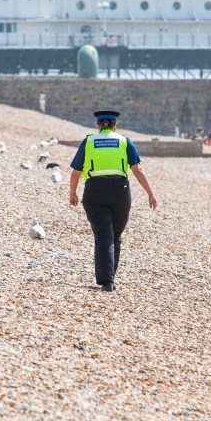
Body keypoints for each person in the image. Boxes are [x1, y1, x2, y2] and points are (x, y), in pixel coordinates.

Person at [69, 110, 158, 292]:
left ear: (98, 125)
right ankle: (110, 278)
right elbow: (137, 170)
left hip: (94, 190)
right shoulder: (125, 141)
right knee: (115, 236)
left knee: (103, 236)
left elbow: (76, 172)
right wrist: (150, 193)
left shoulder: (89, 141)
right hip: (120, 191)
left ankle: (106, 280)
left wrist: (73, 193)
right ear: (115, 125)